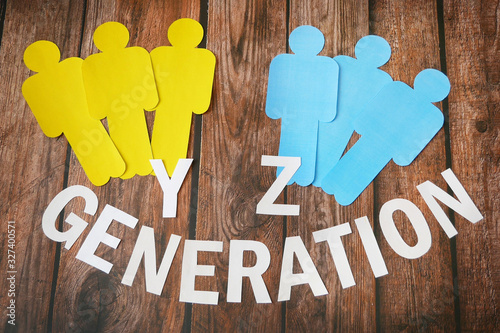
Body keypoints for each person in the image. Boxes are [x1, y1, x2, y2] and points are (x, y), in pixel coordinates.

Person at [321, 68, 450, 205]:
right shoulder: (430, 113)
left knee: (359, 166)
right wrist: (403, 155)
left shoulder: (432, 114)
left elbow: (418, 139)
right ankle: (333, 185)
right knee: (358, 165)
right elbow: (377, 107)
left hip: (379, 143)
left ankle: (334, 185)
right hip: (378, 142)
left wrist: (403, 155)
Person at [22, 40, 125, 186]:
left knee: (88, 148)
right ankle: (112, 168)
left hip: (77, 121)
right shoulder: (72, 65)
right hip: (84, 117)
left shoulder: (32, 85)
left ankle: (110, 169)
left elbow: (49, 123)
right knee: (95, 144)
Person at [82, 22, 158, 178]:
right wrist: (148, 100)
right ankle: (139, 165)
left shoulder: (93, 63)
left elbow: (95, 93)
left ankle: (139, 166)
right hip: (129, 105)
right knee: (132, 139)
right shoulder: (137, 54)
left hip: (117, 109)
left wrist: (99, 109)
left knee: (131, 137)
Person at [266, 25, 339, 186]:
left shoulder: (326, 65)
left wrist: (274, 109)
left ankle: (299, 176)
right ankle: (295, 176)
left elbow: (273, 101)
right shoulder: (326, 65)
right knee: (296, 141)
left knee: (302, 143)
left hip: (300, 116)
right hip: (300, 115)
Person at [150, 18, 216, 176]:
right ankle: (160, 171)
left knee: (171, 137)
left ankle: (162, 171)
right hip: (174, 106)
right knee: (168, 136)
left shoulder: (161, 53)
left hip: (174, 105)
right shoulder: (203, 57)